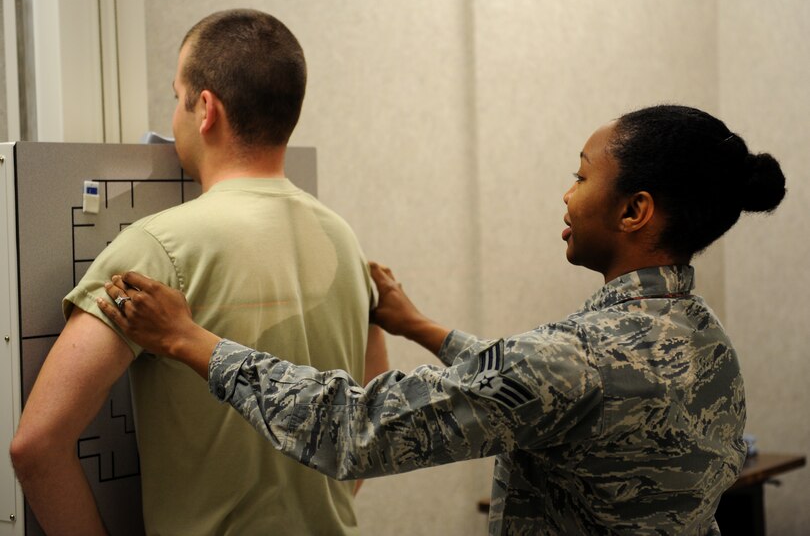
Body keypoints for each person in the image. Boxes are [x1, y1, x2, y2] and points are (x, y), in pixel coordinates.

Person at [98, 105, 786, 535]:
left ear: (636, 210)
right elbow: (537, 388)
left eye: (581, 175)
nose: (567, 193)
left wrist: (192, 340)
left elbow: (354, 427)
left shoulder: (573, 360)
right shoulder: (703, 340)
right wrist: (419, 325)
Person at [10, 9, 388, 536]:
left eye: (175, 95)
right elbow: (372, 407)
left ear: (205, 109)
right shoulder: (342, 239)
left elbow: (36, 445)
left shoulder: (153, 249)